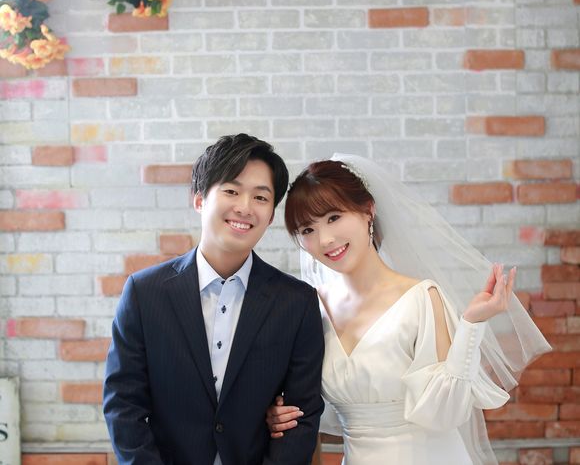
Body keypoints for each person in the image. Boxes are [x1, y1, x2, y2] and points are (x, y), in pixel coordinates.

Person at [266, 154, 551, 465]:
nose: (325, 239)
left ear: (368, 211)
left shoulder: (421, 298)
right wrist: (278, 412)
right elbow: (309, 406)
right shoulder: (313, 308)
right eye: (307, 230)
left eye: (334, 218)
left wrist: (471, 324)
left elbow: (447, 411)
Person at [103, 134, 325, 465]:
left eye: (260, 197)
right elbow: (123, 404)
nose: (245, 207)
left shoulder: (297, 303)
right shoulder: (144, 293)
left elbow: (301, 416)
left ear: (270, 214)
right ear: (199, 199)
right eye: (231, 191)